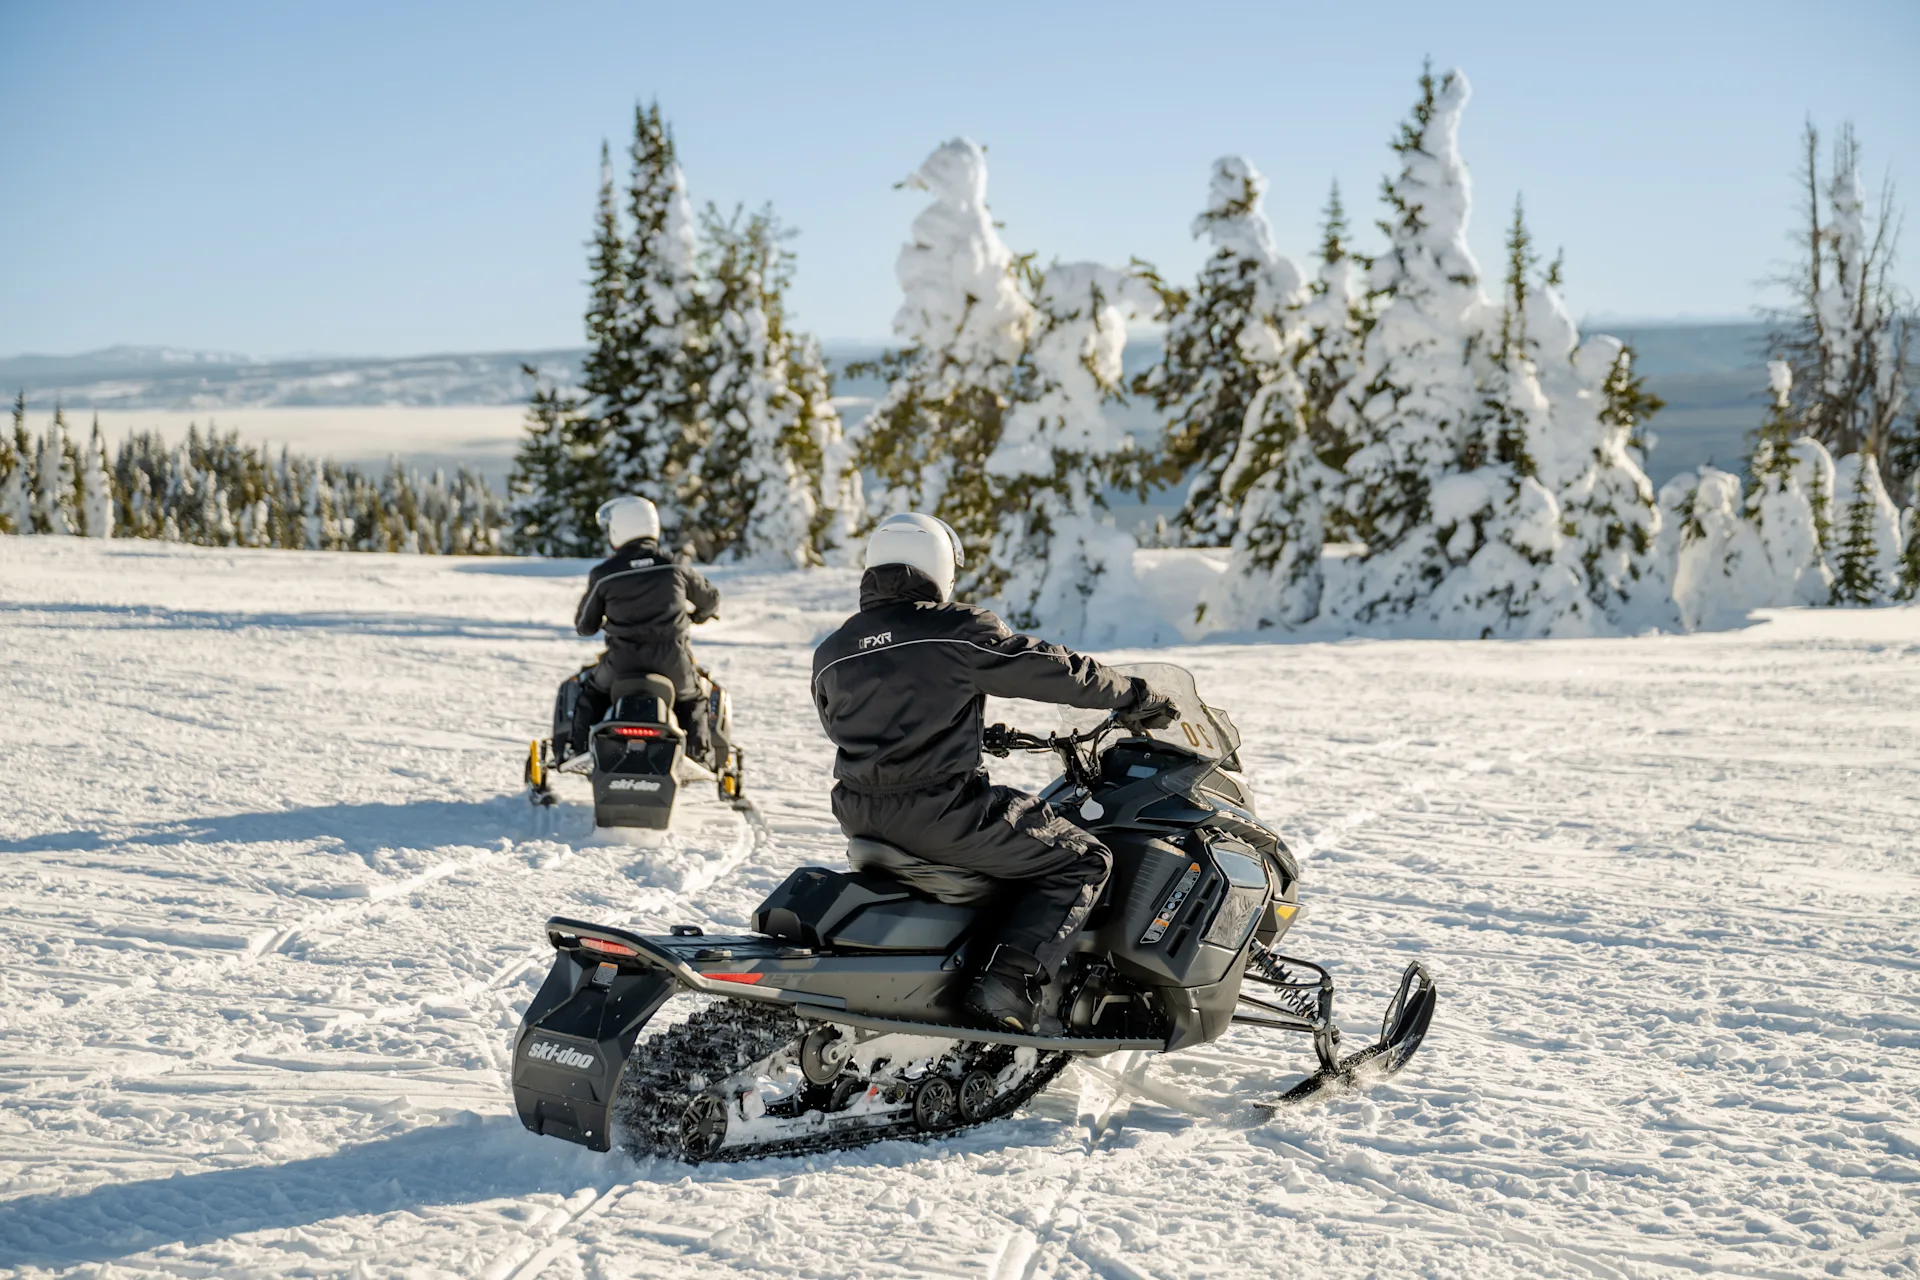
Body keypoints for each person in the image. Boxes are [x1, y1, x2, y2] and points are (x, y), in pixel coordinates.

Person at [811, 512, 1177, 1032]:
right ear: (940, 567)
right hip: (943, 813)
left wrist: (960, 731)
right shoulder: (956, 629)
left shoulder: (832, 651)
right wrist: (1133, 693)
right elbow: (1049, 668)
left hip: (859, 815)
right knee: (1084, 860)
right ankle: (1007, 987)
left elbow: (853, 727)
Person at [567, 496, 722, 764]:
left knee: (590, 694)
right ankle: (699, 755)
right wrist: (697, 616)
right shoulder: (675, 565)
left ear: (617, 530)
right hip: (673, 664)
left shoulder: (605, 573)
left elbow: (584, 626)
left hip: (621, 665)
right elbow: (711, 599)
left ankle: (577, 750)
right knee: (694, 698)